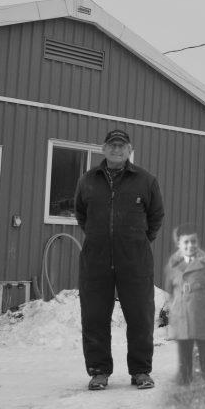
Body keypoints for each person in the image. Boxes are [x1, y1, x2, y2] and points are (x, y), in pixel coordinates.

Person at [74, 129, 165, 391]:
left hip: (135, 261)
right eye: (112, 145)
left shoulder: (145, 181)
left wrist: (138, 241)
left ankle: (140, 371)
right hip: (96, 260)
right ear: (103, 149)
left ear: (129, 150)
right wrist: (99, 237)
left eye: (121, 146)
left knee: (140, 317)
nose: (116, 150)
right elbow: (82, 214)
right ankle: (99, 371)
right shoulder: (88, 180)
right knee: (94, 317)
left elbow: (156, 216)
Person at [163, 224, 205, 385]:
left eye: (194, 242)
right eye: (186, 242)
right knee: (184, 350)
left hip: (202, 315)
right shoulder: (172, 267)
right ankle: (185, 378)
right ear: (179, 245)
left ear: (198, 243)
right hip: (181, 316)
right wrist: (174, 309)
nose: (190, 246)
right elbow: (169, 290)